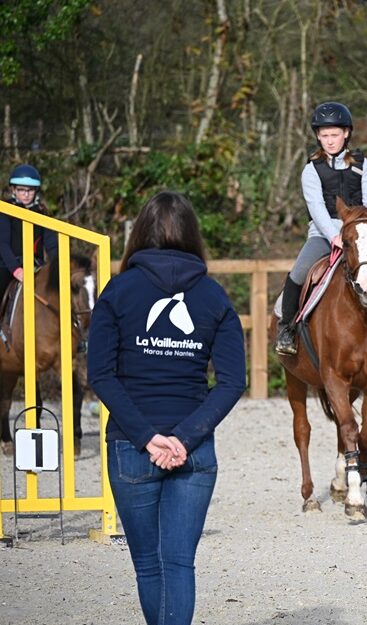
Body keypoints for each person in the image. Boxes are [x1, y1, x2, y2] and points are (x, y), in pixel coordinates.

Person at [87, 191, 246, 625]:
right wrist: (185, 436)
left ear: (140, 233)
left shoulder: (117, 292)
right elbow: (232, 381)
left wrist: (147, 436)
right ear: (193, 235)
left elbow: (100, 374)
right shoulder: (214, 296)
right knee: (178, 564)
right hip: (193, 450)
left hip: (132, 448)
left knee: (150, 566)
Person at [274, 101, 367, 355]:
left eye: (334, 135)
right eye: (324, 136)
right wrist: (334, 235)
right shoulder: (311, 170)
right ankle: (287, 330)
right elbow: (316, 207)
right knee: (299, 272)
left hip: (362, 233)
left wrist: (363, 230)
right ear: (318, 137)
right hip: (325, 234)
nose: (330, 141)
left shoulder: (361, 164)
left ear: (346, 134)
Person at [0, 164, 58, 300]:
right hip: (9, 265)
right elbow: (3, 244)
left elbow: (52, 246)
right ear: (13, 190)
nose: (26, 195)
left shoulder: (42, 212)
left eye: (30, 190)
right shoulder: (5, 210)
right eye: (21, 190)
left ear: (36, 191)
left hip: (36, 264)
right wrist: (16, 270)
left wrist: (58, 266)